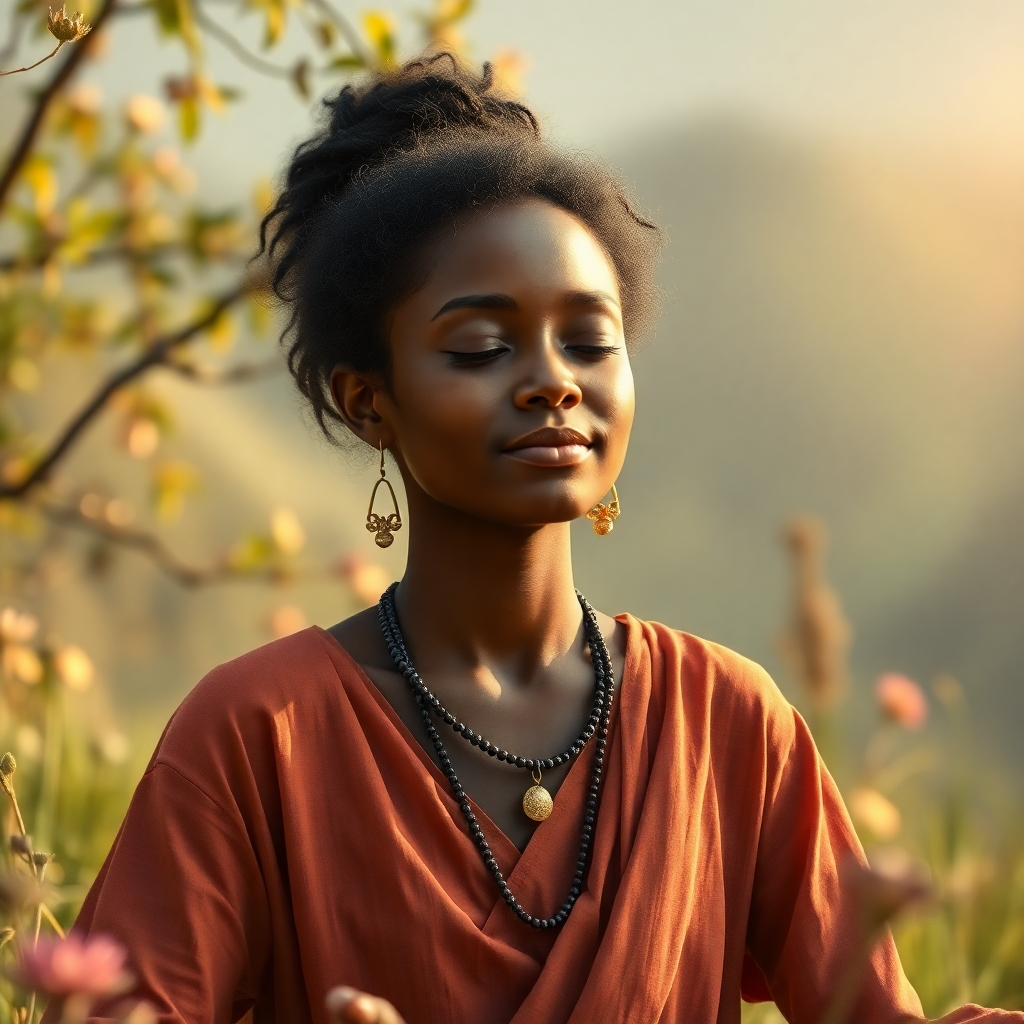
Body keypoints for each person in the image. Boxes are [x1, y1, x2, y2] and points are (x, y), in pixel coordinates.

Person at [51, 56, 1022, 1024]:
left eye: (590, 341)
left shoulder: (728, 722)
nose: (553, 380)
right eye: (480, 346)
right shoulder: (258, 732)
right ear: (368, 402)